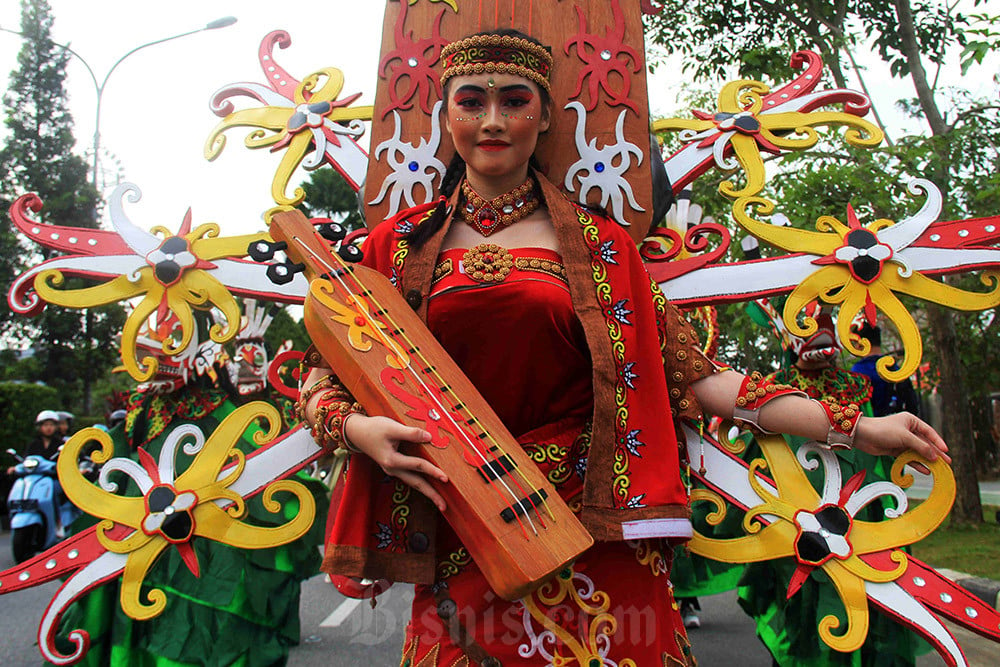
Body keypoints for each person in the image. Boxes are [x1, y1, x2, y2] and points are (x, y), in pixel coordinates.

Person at [300, 29, 949, 665]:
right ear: (446, 116)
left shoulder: (603, 249)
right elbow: (326, 378)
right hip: (466, 525)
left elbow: (699, 380)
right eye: (471, 101)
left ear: (545, 115)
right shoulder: (396, 248)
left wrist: (861, 426)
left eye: (514, 101)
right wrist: (361, 429)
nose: (492, 120)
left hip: (595, 531)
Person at [851, 323, 921, 417]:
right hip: (898, 424)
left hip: (871, 427)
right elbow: (911, 403)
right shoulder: (895, 368)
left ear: (860, 344)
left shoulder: (858, 371)